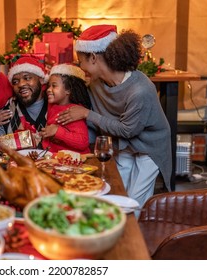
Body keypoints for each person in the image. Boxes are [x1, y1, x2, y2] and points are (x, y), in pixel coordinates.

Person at [57, 25, 172, 208]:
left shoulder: (140, 90)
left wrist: (87, 114)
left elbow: (127, 130)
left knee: (134, 202)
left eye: (81, 60)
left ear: (93, 58)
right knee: (117, 191)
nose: (80, 65)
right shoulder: (96, 84)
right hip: (123, 145)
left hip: (149, 146)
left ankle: (132, 236)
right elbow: (96, 121)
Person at [0, 56, 48, 147]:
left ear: (41, 79)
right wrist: (25, 140)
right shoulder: (7, 111)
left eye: (27, 78)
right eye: (15, 82)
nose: (21, 84)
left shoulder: (55, 108)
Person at [39, 64, 91, 154]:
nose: (48, 89)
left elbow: (83, 142)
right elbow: (41, 87)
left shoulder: (73, 111)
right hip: (54, 157)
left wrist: (57, 131)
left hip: (74, 161)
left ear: (68, 90)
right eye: (49, 86)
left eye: (54, 86)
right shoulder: (53, 105)